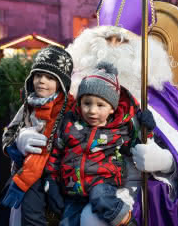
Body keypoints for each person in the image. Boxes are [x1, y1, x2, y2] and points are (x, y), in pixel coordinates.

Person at [16, 0, 178, 226]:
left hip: (130, 187)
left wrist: (165, 162)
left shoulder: (163, 96)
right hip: (73, 180)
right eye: (107, 38)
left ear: (142, 47)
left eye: (124, 40)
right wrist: (24, 135)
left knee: (93, 219)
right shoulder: (71, 84)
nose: (114, 47)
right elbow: (47, 123)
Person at [46, 62, 158, 226]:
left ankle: (126, 220)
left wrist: (146, 129)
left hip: (103, 182)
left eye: (100, 105)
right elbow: (56, 152)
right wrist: (51, 180)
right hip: (72, 187)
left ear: (112, 108)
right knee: (67, 222)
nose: (92, 110)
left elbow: (136, 145)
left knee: (100, 197)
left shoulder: (118, 129)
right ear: (80, 102)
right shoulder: (69, 124)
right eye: (87, 103)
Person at [0, 45, 75, 226]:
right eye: (38, 75)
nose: (42, 81)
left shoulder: (70, 109)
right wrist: (16, 144)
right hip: (27, 171)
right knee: (9, 213)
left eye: (50, 77)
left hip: (56, 173)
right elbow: (9, 131)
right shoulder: (28, 106)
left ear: (62, 82)